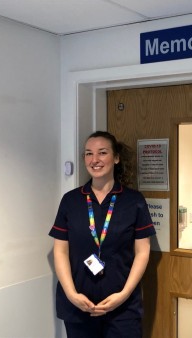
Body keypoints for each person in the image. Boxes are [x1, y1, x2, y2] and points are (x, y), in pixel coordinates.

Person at [49, 131, 156, 338]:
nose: (94, 160)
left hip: (122, 308)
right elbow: (60, 251)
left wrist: (123, 295)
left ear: (116, 158)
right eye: (89, 154)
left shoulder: (133, 201)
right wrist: (72, 295)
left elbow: (143, 251)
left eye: (102, 153)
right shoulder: (71, 200)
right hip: (78, 305)